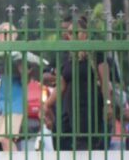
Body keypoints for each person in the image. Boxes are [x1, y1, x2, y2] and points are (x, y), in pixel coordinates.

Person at [46, 16, 113, 150]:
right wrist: (46, 105)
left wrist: (108, 104)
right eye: (70, 33)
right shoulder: (69, 57)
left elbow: (105, 82)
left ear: (86, 33)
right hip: (72, 110)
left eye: (77, 32)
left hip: (90, 108)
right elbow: (62, 85)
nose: (73, 36)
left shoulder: (96, 53)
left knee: (87, 148)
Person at [0, 22, 23, 151]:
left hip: (14, 105)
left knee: (6, 138)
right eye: (4, 33)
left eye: (11, 33)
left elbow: (25, 80)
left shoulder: (19, 55)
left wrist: (21, 70)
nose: (7, 36)